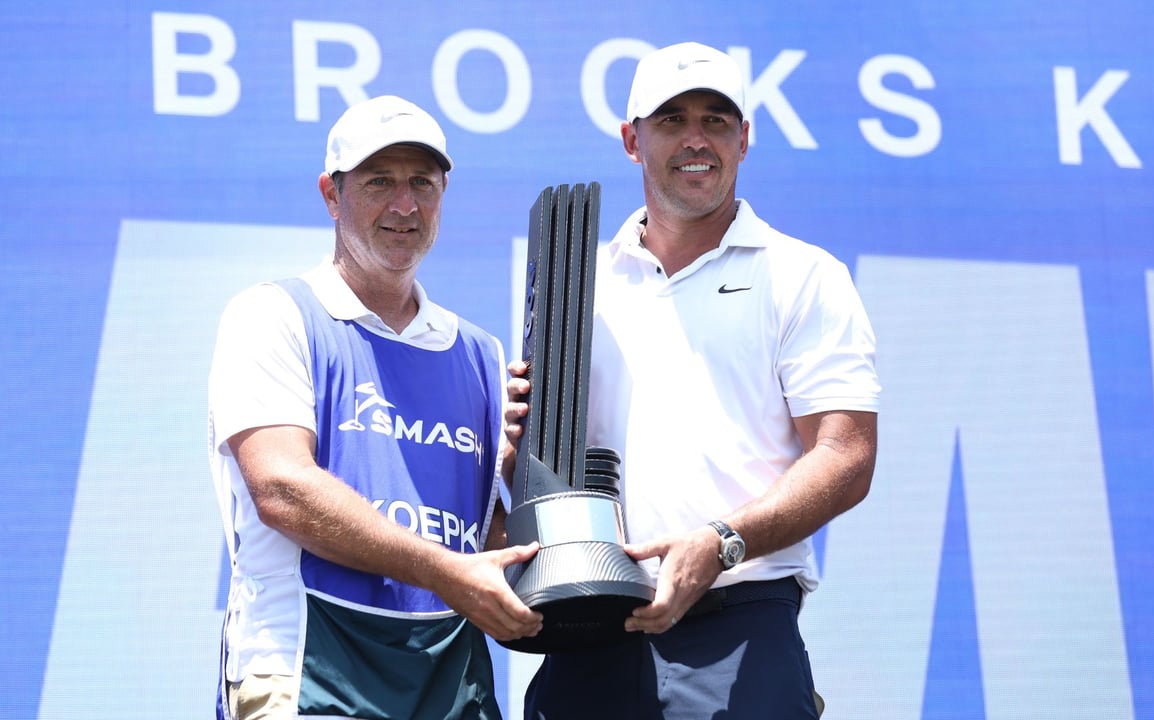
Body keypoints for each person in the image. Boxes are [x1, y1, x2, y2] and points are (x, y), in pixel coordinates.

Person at [504, 42, 880, 719]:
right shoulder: (573, 282)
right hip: (590, 624)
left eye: (716, 119)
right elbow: (543, 480)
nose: (696, 140)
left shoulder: (802, 274)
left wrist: (720, 542)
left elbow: (847, 456)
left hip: (739, 624)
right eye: (672, 120)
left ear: (745, 138)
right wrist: (518, 460)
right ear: (631, 139)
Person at [208, 94, 543, 720]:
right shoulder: (273, 314)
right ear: (331, 195)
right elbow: (283, 489)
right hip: (308, 669)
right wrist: (447, 572)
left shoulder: (482, 354)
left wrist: (529, 477)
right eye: (379, 182)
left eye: (422, 182)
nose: (404, 205)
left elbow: (483, 542)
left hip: (452, 681)